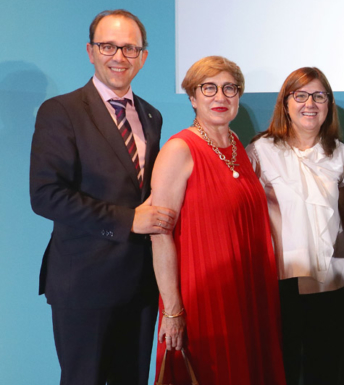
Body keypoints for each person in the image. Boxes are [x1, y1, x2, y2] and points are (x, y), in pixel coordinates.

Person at [29, 9, 175, 384]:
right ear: (90, 51)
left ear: (143, 57)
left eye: (129, 48)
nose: (119, 57)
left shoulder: (152, 116)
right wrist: (128, 221)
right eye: (108, 46)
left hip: (141, 285)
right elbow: (46, 195)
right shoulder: (61, 111)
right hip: (84, 282)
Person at [149, 56, 285, 384]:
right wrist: (173, 310)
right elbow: (159, 234)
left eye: (229, 88)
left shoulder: (238, 144)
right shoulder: (179, 150)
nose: (220, 97)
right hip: (205, 299)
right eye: (208, 88)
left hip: (248, 291)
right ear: (193, 98)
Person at [247, 67, 344, 385]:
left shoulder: (341, 155)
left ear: (329, 104)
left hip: (331, 282)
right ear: (286, 103)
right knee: (281, 370)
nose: (310, 103)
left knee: (325, 371)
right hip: (279, 283)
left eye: (319, 96)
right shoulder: (259, 151)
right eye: (301, 95)